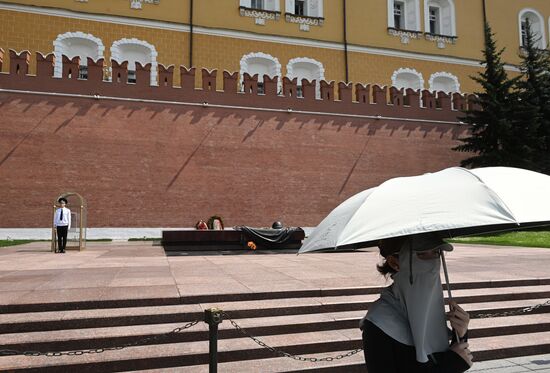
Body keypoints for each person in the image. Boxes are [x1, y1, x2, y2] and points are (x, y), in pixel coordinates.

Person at [360, 234, 473, 372]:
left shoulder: (431, 309)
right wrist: (449, 366)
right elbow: (446, 364)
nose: (432, 261)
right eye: (422, 254)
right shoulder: (378, 322)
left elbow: (444, 357)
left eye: (436, 252)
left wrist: (460, 335)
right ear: (394, 262)